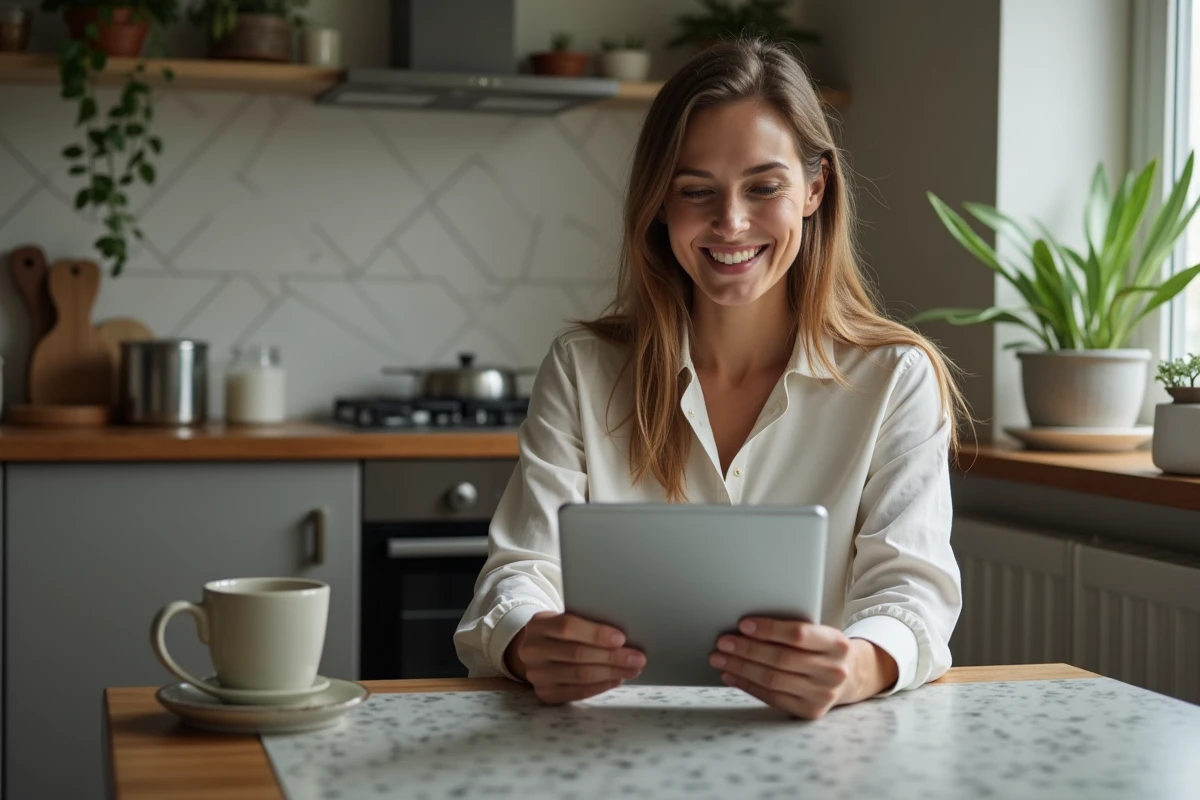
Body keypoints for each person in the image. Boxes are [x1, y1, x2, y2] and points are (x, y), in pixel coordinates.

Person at [454, 38, 965, 720]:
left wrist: (858, 666)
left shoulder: (896, 379)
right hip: (610, 743)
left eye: (764, 186)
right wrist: (526, 642)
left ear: (815, 188)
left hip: (818, 753)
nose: (730, 222)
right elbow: (517, 574)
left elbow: (912, 597)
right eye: (697, 190)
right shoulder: (582, 369)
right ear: (660, 204)